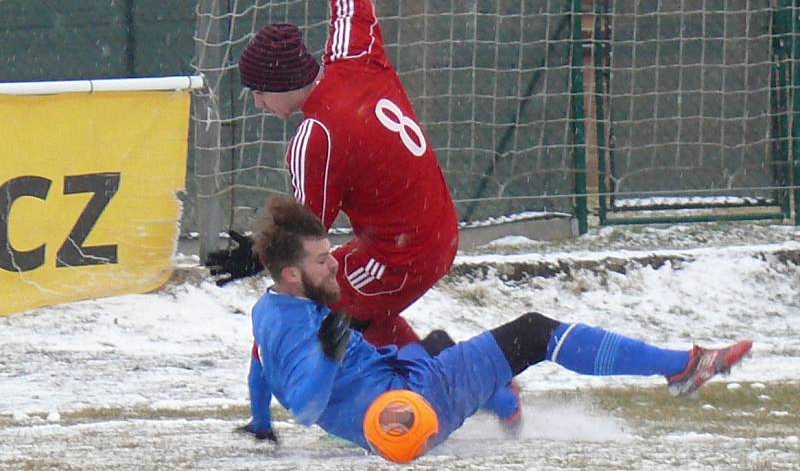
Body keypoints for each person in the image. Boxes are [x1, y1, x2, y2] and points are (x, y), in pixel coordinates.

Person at [238, 194, 753, 462]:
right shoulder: (311, 331)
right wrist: (330, 354)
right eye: (324, 260)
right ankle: (685, 367)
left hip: (394, 404)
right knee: (533, 332)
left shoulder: (270, 311)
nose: (335, 265)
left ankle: (505, 403)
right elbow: (304, 405)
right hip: (409, 412)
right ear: (291, 274)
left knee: (437, 344)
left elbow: (263, 367)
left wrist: (262, 426)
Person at [205, 0, 458, 351]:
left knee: (302, 306)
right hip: (431, 226)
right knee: (349, 305)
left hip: (403, 253)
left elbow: (305, 235)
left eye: (260, 94)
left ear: (282, 84)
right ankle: (433, 375)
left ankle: (438, 378)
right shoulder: (353, 53)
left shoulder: (315, 136)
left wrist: (255, 258)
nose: (259, 105)